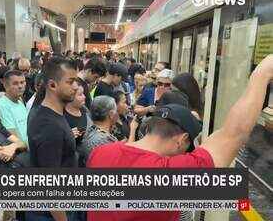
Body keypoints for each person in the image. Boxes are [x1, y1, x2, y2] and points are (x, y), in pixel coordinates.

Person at [86, 54, 273, 221]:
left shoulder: (101, 153)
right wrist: (262, 75)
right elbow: (234, 134)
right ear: (181, 140)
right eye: (187, 147)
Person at [27, 56, 78, 221]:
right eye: (70, 82)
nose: (76, 87)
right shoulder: (49, 126)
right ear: (52, 85)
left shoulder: (48, 114)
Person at [80, 96, 119, 164]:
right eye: (116, 111)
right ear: (111, 114)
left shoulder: (89, 131)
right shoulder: (104, 142)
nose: (117, 113)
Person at [0, 70, 29, 147]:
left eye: (22, 82)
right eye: (15, 83)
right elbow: (12, 135)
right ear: (5, 85)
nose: (20, 86)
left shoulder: (20, 100)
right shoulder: (3, 105)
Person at [64, 79, 92, 166]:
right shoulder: (62, 117)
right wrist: (68, 137)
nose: (84, 97)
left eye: (83, 93)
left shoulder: (85, 111)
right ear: (71, 97)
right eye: (80, 95)